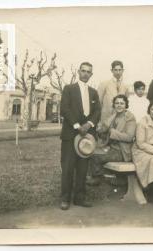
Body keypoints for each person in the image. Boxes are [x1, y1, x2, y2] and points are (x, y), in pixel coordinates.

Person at [59, 62, 101, 210]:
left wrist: (88, 125)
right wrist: (77, 126)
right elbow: (64, 109)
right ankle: (65, 199)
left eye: (88, 72)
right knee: (68, 168)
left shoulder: (94, 92)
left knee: (83, 169)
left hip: (87, 137)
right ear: (78, 72)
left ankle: (80, 198)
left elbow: (97, 112)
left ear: (91, 74)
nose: (85, 74)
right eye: (83, 71)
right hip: (71, 135)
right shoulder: (69, 89)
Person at [86, 94, 136, 186]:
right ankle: (108, 178)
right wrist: (101, 131)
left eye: (122, 103)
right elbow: (106, 135)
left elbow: (129, 137)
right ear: (114, 105)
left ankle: (97, 178)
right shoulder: (113, 117)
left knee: (95, 157)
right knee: (89, 152)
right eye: (117, 103)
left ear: (126, 105)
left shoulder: (129, 118)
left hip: (122, 151)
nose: (119, 105)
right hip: (111, 148)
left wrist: (112, 132)